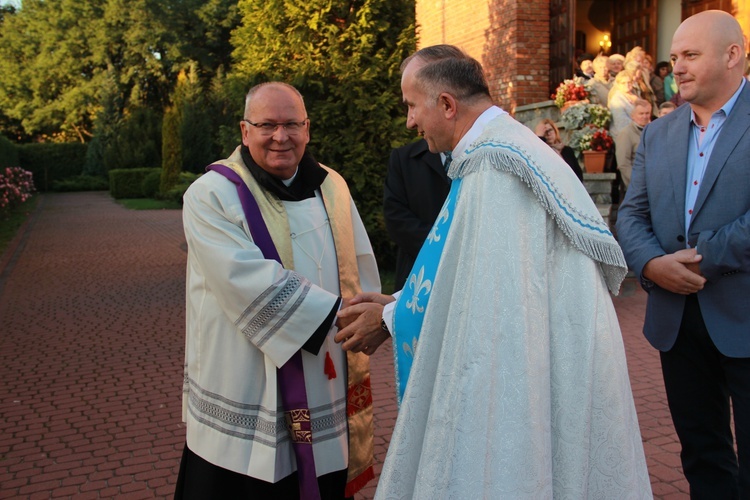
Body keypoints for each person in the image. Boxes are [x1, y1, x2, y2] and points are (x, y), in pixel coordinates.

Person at [336, 45, 651, 498]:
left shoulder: (496, 168)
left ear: (446, 104)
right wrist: (397, 305)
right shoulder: (502, 150)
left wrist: (389, 318)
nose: (408, 121)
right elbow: (468, 273)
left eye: (410, 105)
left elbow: (486, 310)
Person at [175, 82, 381, 499]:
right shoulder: (211, 196)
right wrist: (346, 319)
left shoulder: (332, 186)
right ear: (244, 130)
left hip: (326, 369)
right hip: (248, 380)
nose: (280, 136)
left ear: (307, 128)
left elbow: (358, 266)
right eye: (267, 124)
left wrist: (370, 314)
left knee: (325, 474)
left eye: (292, 124)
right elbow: (245, 281)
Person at [616, 10, 750, 498]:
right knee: (701, 455)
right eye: (674, 58)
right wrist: (652, 265)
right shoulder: (658, 133)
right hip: (678, 323)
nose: (678, 68)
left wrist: (696, 260)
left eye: (690, 55)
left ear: (733, 54)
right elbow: (631, 216)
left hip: (744, 312)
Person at [384, 139, 451, 290]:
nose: (412, 123)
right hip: (416, 271)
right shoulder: (404, 158)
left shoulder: (478, 158)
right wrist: (445, 248)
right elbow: (395, 218)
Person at [615, 98, 651, 193]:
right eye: (641, 113)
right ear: (633, 116)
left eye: (647, 113)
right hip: (637, 186)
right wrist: (637, 182)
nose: (644, 116)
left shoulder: (653, 130)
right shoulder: (626, 134)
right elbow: (623, 163)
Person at [608, 70, 639, 137]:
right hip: (624, 135)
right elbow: (621, 123)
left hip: (638, 133)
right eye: (623, 83)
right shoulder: (616, 99)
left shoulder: (635, 94)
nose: (627, 85)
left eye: (629, 82)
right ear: (618, 84)